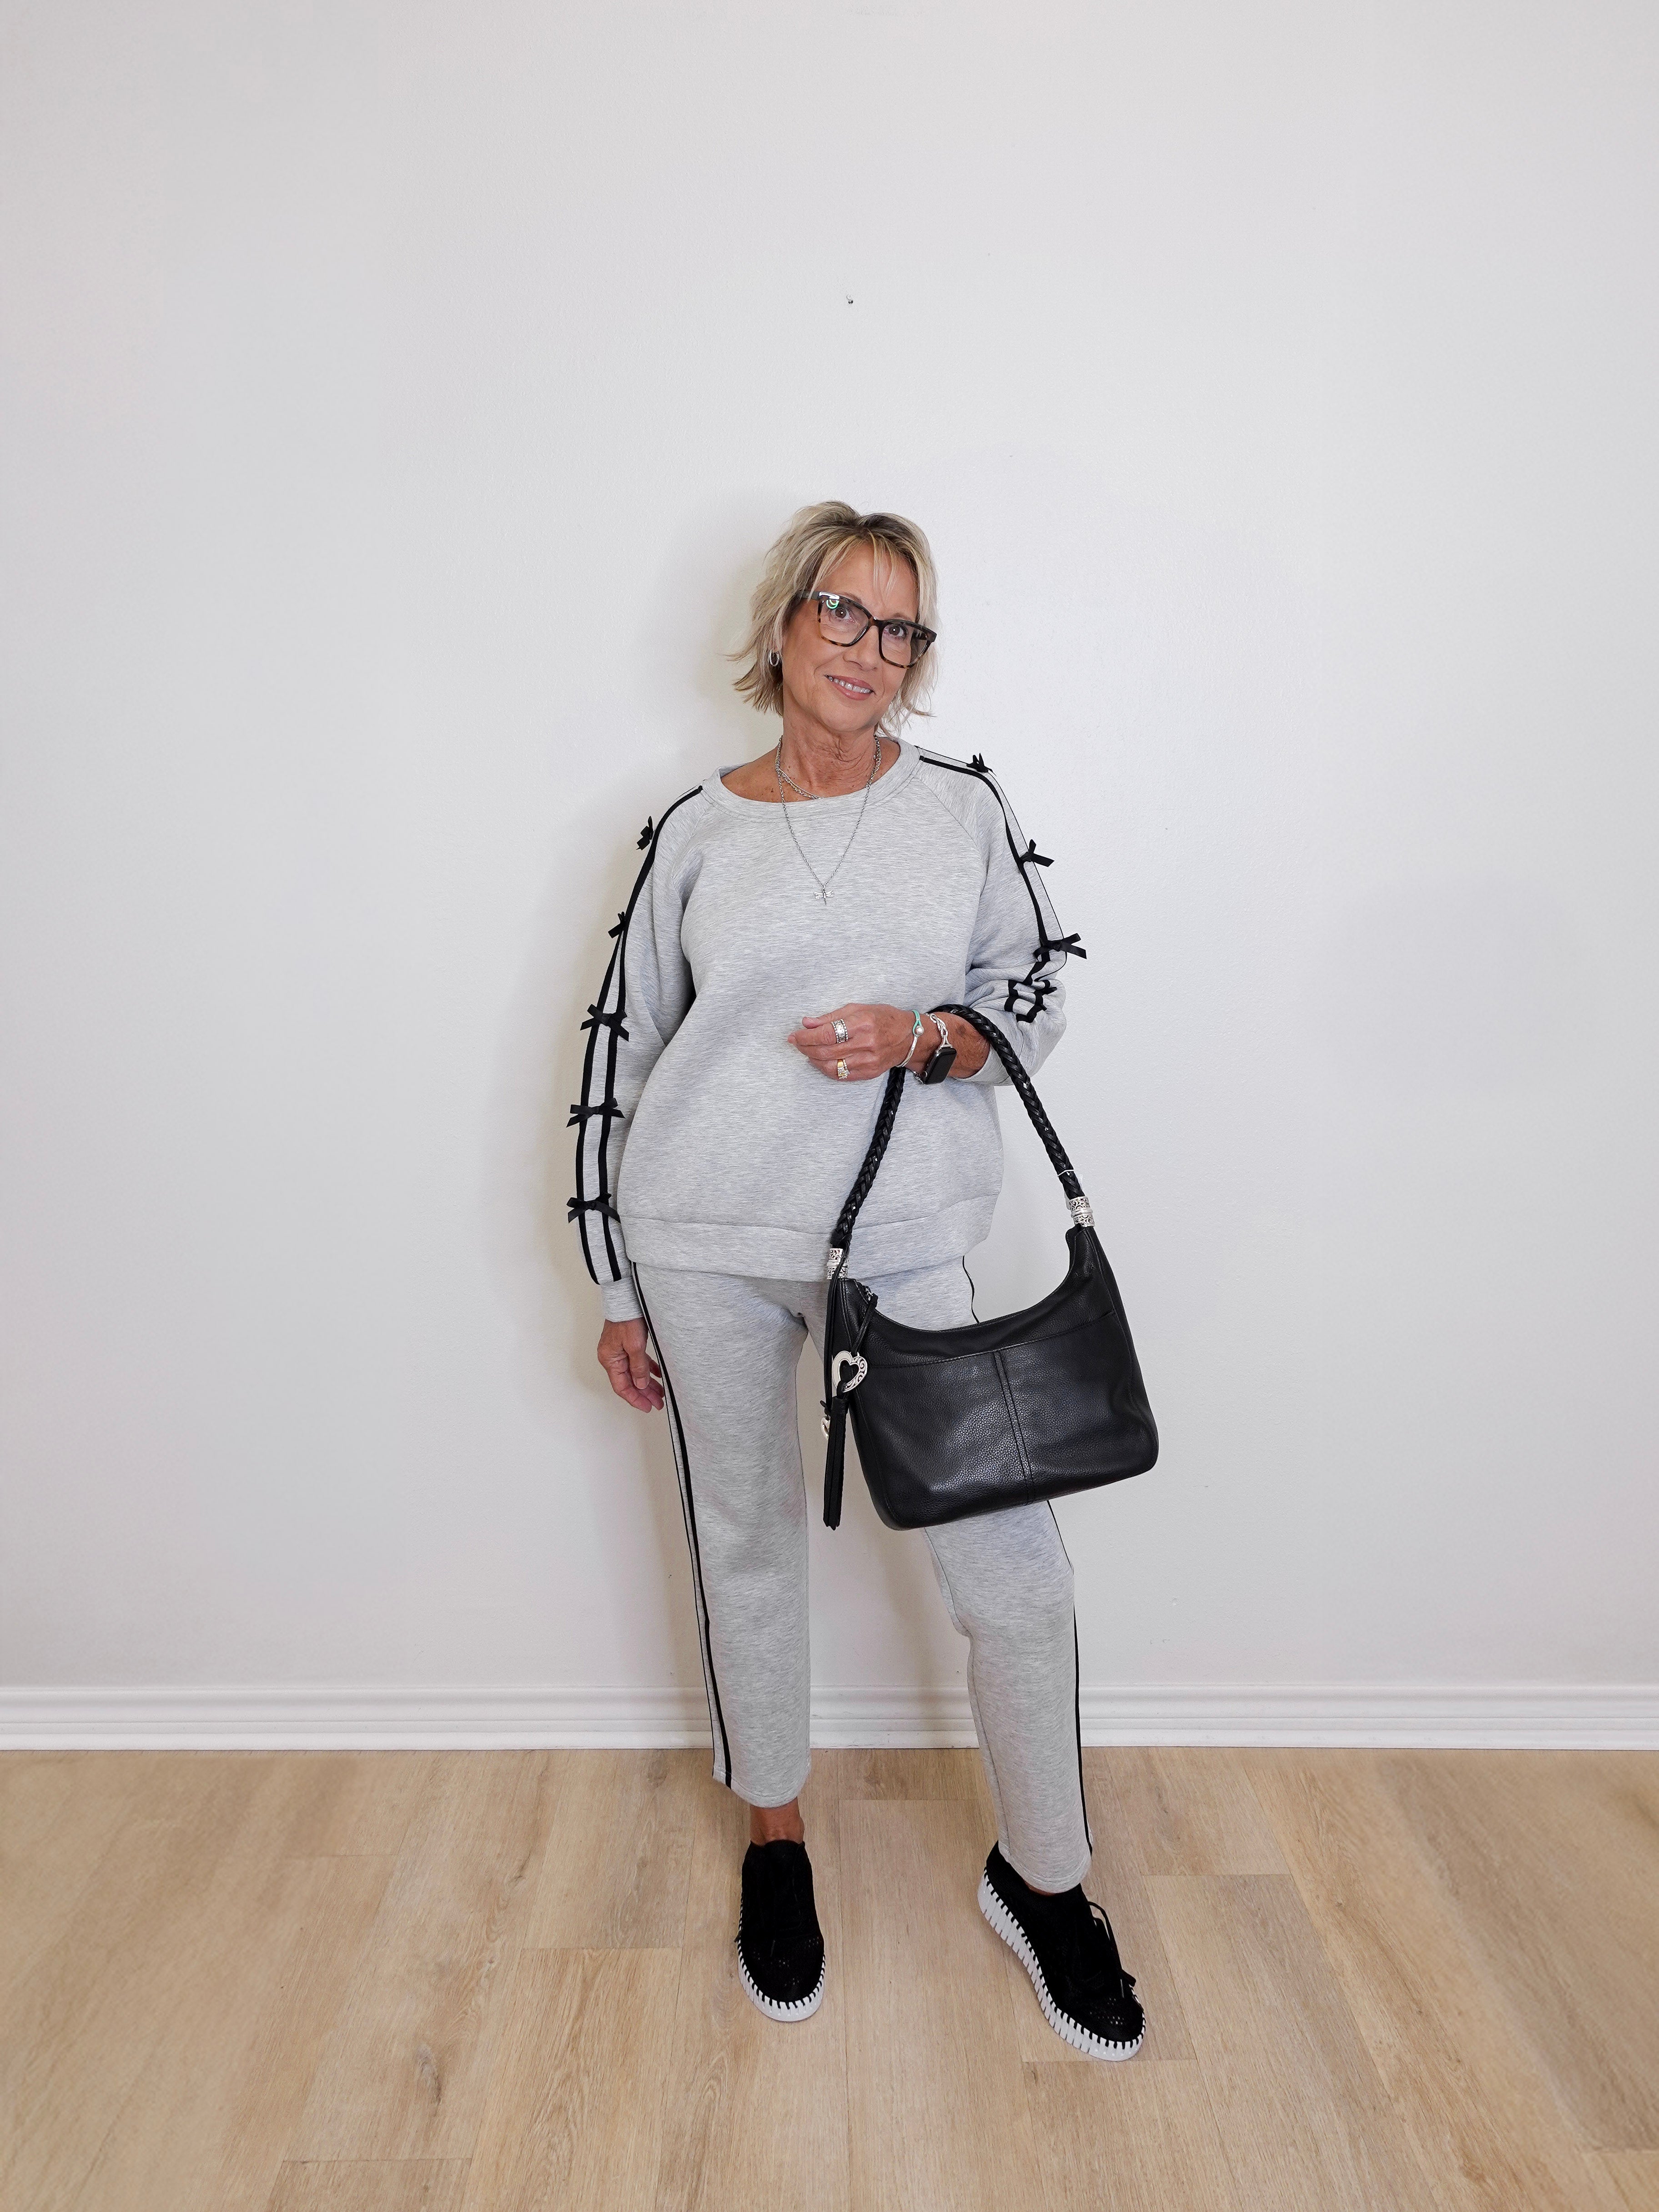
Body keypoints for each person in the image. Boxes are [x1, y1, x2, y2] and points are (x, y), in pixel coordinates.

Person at [569, 501, 1142, 2057]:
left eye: (902, 630)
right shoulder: (692, 829)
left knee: (1012, 1575)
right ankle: (777, 1849)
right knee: (744, 1547)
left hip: (905, 1243)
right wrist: (614, 1282)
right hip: (707, 1243)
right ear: (782, 625)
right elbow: (623, 1051)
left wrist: (928, 1036)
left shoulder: (960, 809)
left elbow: (1040, 977)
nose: (870, 653)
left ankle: (1048, 1880)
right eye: (844, 614)